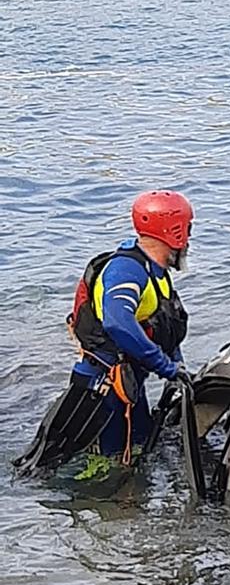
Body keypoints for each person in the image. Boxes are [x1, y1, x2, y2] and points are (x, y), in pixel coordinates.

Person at [14, 190, 193, 478]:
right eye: (187, 228)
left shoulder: (157, 273)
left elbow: (164, 326)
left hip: (128, 385)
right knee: (106, 468)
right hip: (102, 393)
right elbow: (118, 323)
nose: (189, 238)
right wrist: (164, 367)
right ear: (174, 231)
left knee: (136, 455)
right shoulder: (126, 271)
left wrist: (178, 367)